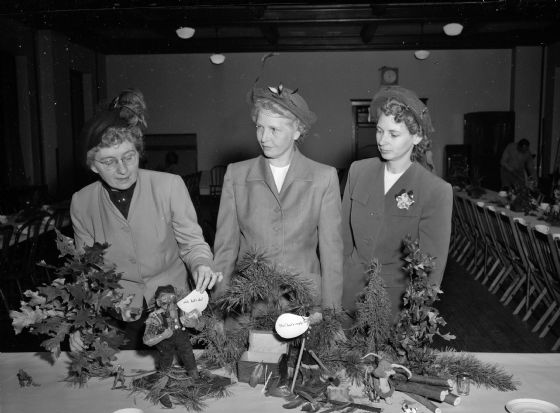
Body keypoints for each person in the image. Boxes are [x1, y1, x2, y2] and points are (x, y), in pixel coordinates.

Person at [69, 89, 221, 349]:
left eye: (129, 156)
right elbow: (85, 271)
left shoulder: (169, 186)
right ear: (93, 165)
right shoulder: (82, 202)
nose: (123, 169)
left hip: (174, 308)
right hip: (119, 316)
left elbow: (193, 244)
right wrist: (79, 321)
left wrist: (202, 264)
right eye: (109, 162)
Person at [212, 84, 343, 321]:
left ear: (297, 131)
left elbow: (332, 254)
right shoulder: (236, 175)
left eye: (274, 129)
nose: (264, 137)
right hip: (248, 305)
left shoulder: (324, 177)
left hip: (303, 305)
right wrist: (219, 312)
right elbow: (225, 250)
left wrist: (329, 313)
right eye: (259, 127)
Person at [341, 86, 452, 317]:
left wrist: (414, 318)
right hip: (348, 295)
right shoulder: (358, 171)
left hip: (395, 304)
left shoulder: (435, 190)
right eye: (379, 131)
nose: (382, 140)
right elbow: (342, 241)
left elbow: (431, 268)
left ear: (417, 136)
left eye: (393, 134)